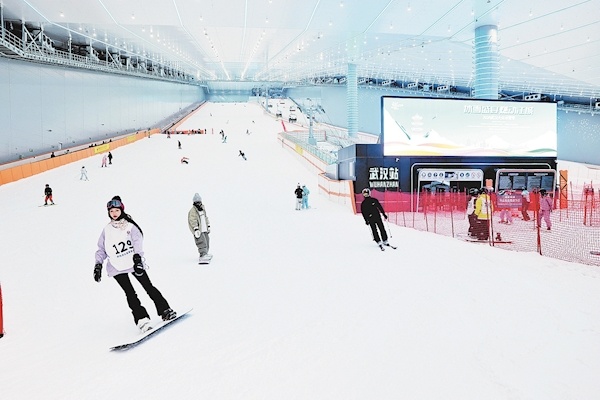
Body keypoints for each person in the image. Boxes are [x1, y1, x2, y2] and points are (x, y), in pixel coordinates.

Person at [93, 196, 176, 332]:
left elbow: (138, 242)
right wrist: (98, 265)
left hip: (133, 263)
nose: (114, 213)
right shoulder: (106, 230)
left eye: (117, 210)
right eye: (111, 211)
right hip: (116, 267)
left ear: (122, 210)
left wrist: (137, 258)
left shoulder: (130, 226)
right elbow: (101, 249)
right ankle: (142, 319)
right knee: (130, 293)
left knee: (148, 286)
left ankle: (165, 310)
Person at [188, 193, 212, 263]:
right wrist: (196, 228)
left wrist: (208, 226)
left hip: (204, 229)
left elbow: (205, 217)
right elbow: (192, 220)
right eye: (196, 202)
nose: (198, 203)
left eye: (199, 201)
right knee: (201, 242)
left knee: (206, 241)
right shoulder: (193, 211)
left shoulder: (202, 209)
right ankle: (202, 255)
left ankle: (205, 253)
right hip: (199, 230)